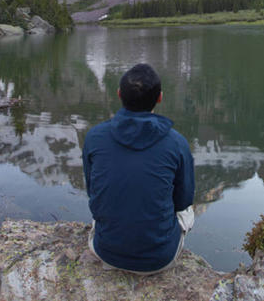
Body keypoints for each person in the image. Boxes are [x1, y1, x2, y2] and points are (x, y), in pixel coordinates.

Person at [82, 63, 195, 274]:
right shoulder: (177, 143)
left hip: (106, 252)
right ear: (160, 98)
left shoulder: (94, 137)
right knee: (187, 212)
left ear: (119, 94)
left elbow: (92, 191)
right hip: (160, 259)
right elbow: (183, 200)